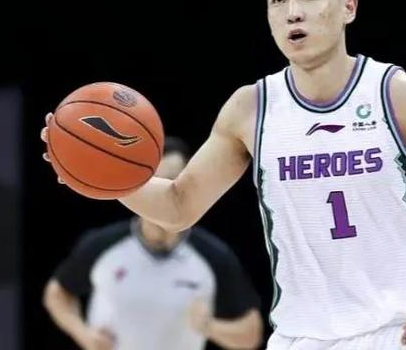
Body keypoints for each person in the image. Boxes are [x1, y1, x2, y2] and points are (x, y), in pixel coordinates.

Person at [42, 0, 406, 350]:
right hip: (298, 337)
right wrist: (101, 175)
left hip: (402, 330)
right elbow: (179, 206)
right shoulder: (250, 108)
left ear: (348, 8)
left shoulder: (400, 96)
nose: (293, 11)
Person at [42, 136, 264, 350]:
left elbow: (251, 334)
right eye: (156, 181)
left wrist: (209, 326)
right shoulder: (103, 245)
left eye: (172, 181)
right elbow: (57, 293)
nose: (164, 192)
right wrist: (83, 333)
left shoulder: (213, 256)